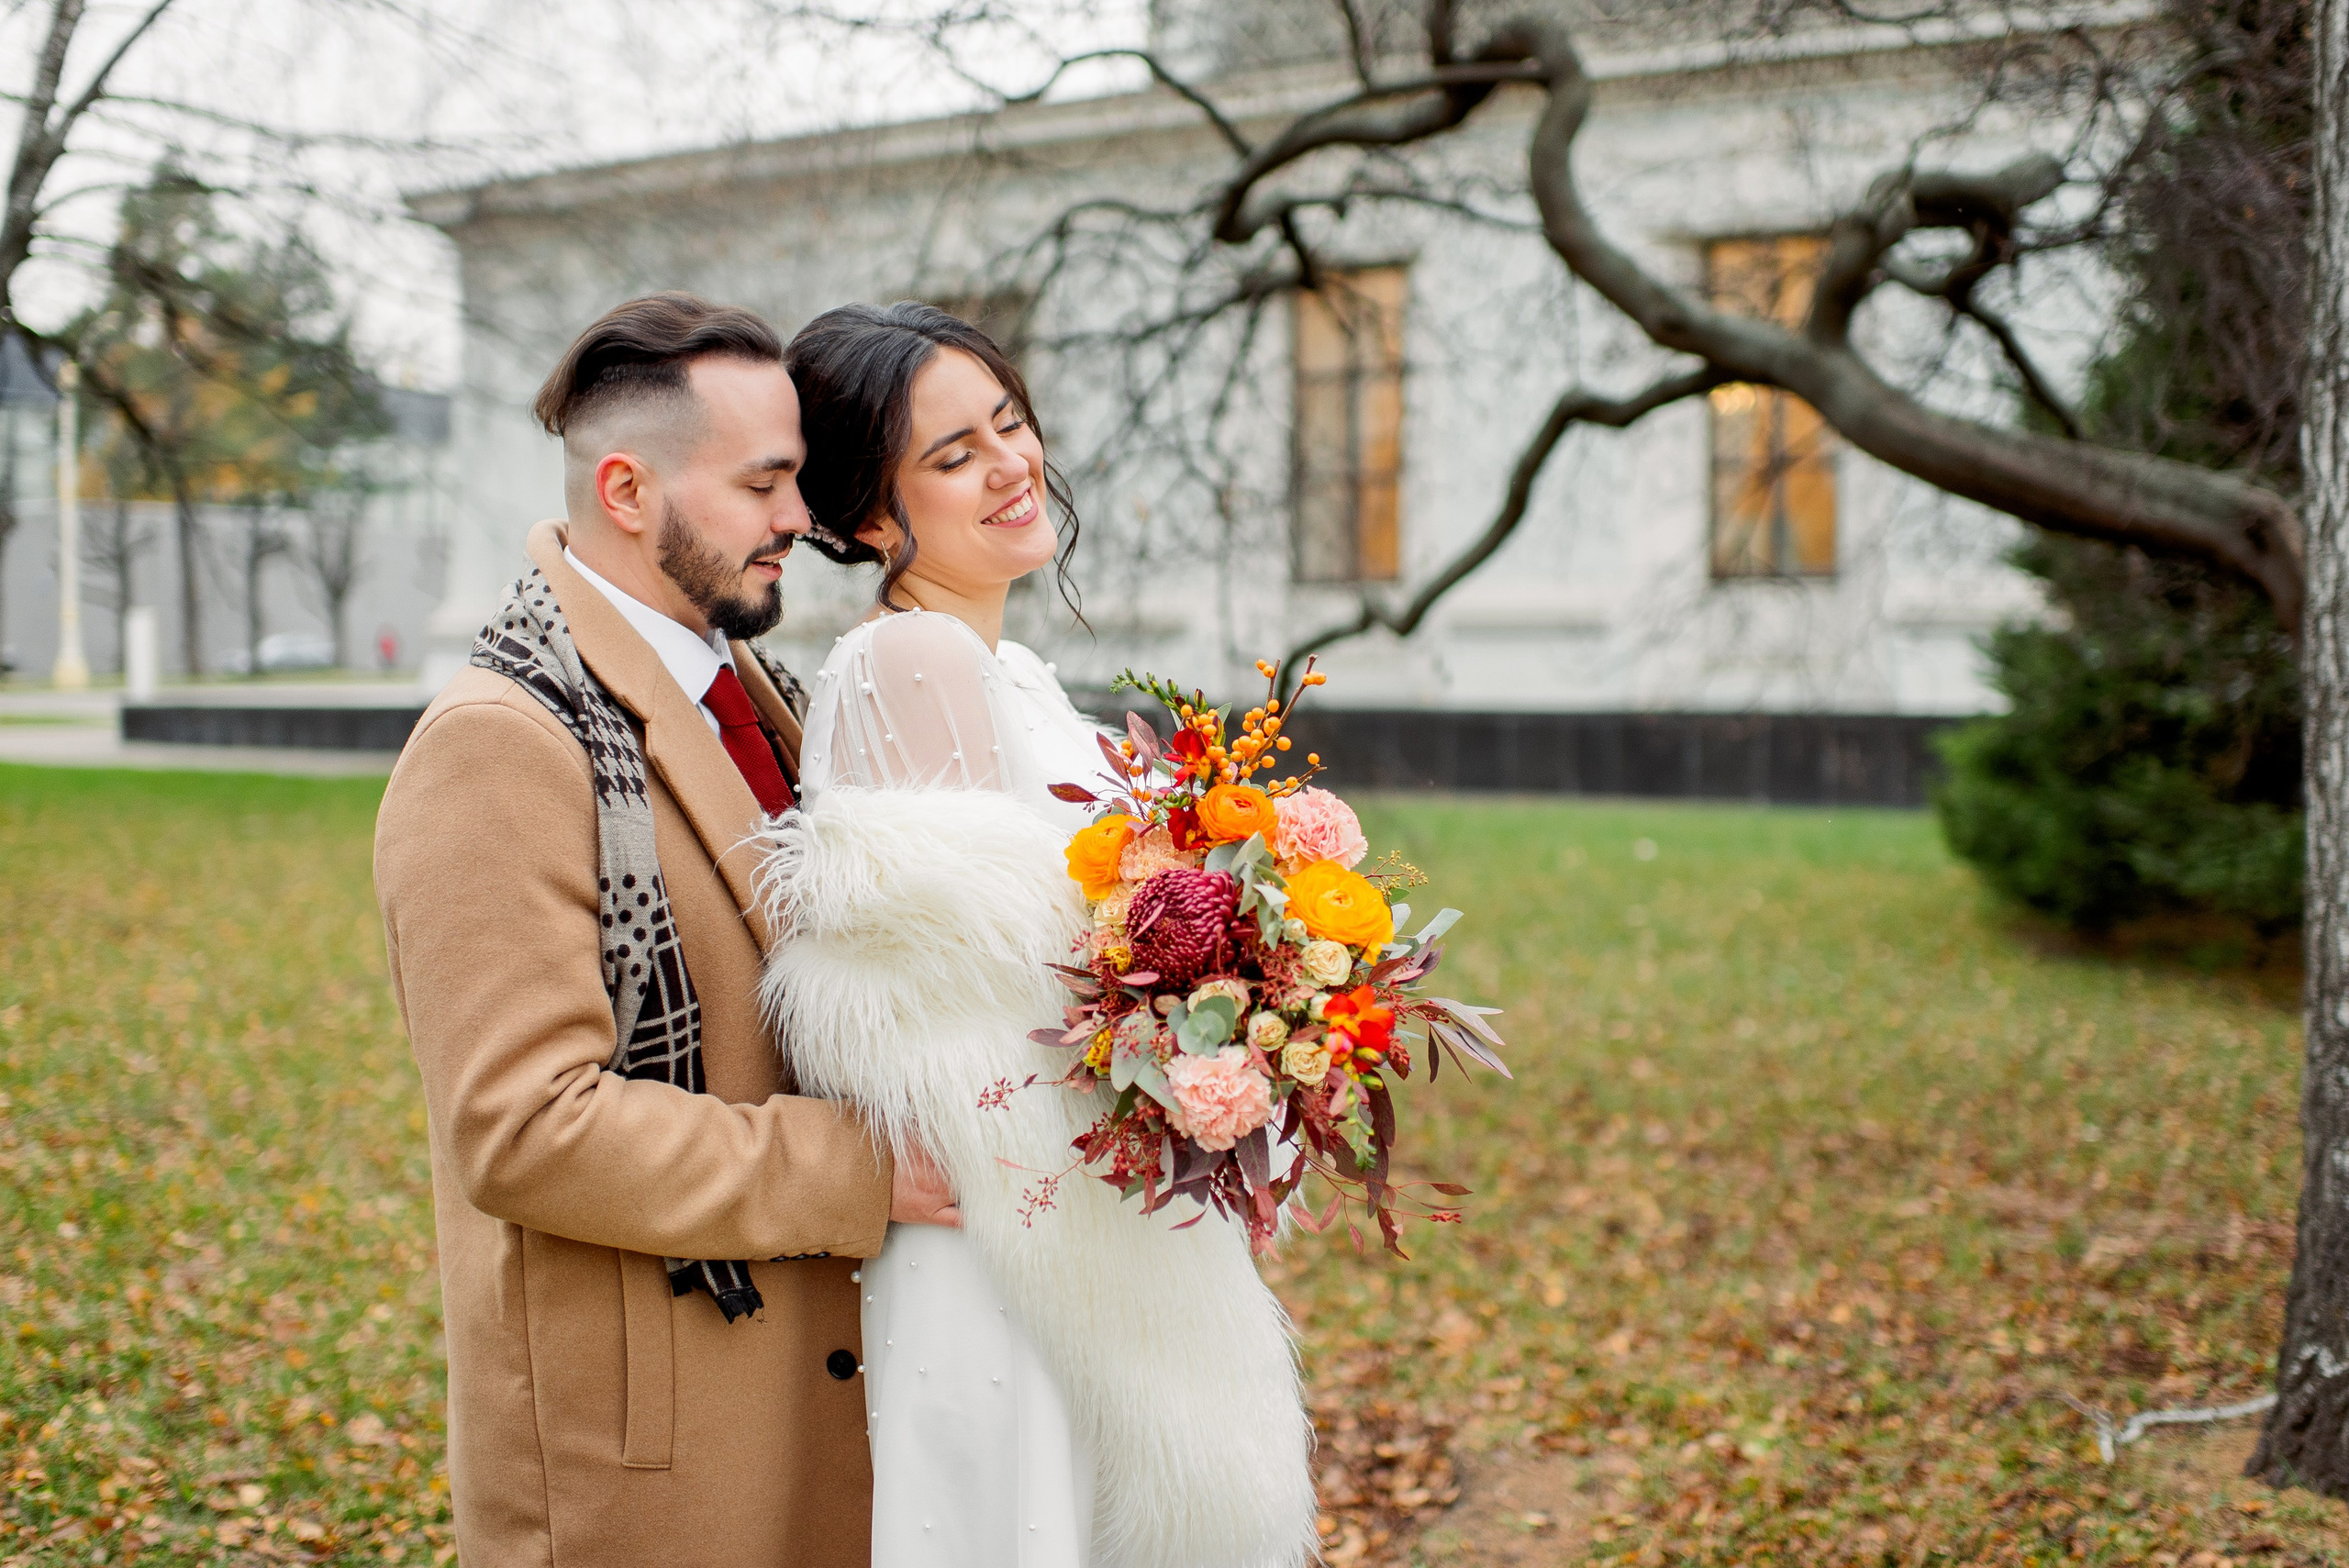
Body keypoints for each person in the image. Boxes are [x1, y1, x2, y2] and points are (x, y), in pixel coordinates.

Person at [372, 293, 960, 1567]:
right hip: (647, 1461)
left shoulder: (757, 690)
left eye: (796, 479)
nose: (798, 519)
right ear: (629, 491)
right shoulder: (500, 744)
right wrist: (864, 1173)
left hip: (813, 1394)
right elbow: (525, 1127)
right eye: (763, 484)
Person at [751, 303, 1319, 1568]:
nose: (1013, 462)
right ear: (871, 517)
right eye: (954, 454)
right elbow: (997, 997)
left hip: (1061, 1219)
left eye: (1010, 421)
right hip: (1021, 1243)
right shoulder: (914, 659)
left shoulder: (1009, 673)